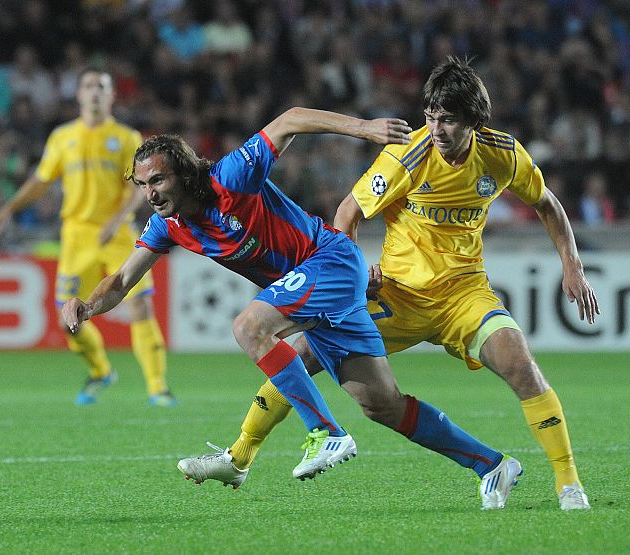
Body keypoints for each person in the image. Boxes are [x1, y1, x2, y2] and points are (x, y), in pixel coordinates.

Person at [178, 57, 598, 511]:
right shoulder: (408, 155)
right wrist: (357, 270)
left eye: (448, 120)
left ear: (474, 120)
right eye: (430, 116)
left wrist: (572, 264)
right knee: (302, 357)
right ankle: (239, 456)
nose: (436, 129)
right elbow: (347, 213)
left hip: (464, 294)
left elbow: (547, 204)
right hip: (396, 294)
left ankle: (569, 485)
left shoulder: (504, 155)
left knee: (520, 365)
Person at [62, 106, 519, 487]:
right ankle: (492, 465)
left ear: (182, 173)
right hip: (314, 288)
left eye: (158, 181)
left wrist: (364, 129)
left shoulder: (230, 178)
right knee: (382, 404)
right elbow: (121, 280)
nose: (149, 194)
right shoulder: (168, 225)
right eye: (142, 185)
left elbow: (291, 119)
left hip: (329, 259)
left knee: (250, 327)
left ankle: (325, 432)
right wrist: (87, 305)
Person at [0, 69, 176, 407]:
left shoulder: (126, 137)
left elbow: (138, 188)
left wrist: (116, 221)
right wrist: (7, 209)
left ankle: (157, 387)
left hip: (118, 233)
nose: (94, 92)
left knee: (140, 304)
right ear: (78, 95)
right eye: (88, 86)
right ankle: (101, 371)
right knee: (69, 318)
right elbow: (41, 180)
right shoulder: (62, 137)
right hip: (77, 235)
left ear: (112, 96)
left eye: (101, 86)